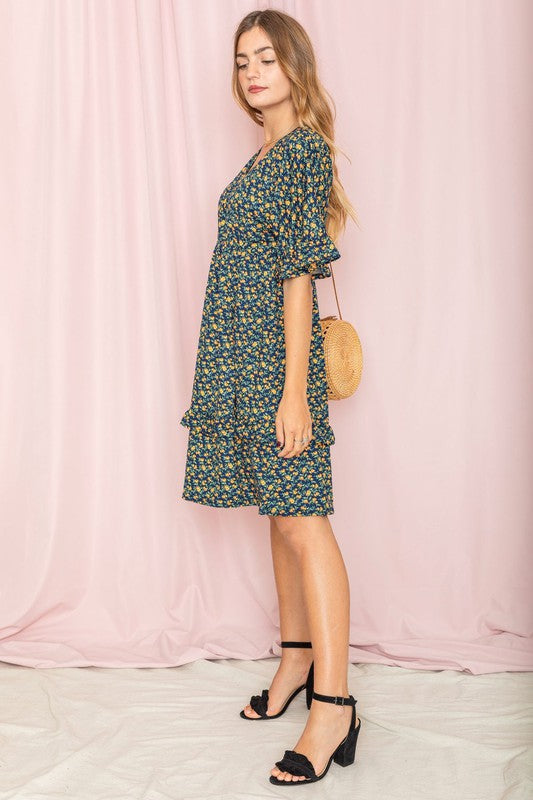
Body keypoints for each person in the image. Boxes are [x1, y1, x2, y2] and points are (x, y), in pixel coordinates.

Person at [179, 9, 361, 786]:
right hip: (239, 361)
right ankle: (292, 665)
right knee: (278, 521)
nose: (253, 73)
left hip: (272, 368)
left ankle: (334, 705)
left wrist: (294, 393)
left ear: (294, 66)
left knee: (304, 523)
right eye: (242, 60)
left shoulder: (301, 154)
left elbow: (297, 279)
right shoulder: (268, 153)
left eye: (266, 59)